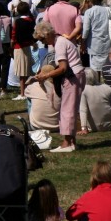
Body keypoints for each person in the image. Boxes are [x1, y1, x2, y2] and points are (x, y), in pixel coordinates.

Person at [32, 19, 85, 153]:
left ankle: (66, 143)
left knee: (66, 109)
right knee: (70, 108)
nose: (43, 43)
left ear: (47, 35)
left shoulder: (60, 44)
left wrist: (45, 75)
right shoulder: (61, 41)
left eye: (43, 40)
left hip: (72, 77)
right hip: (76, 75)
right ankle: (72, 142)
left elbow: (62, 68)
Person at [78, 69, 111, 134]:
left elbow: (83, 110)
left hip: (93, 127)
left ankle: (84, 127)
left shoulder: (83, 90)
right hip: (109, 125)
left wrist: (84, 128)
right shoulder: (107, 88)